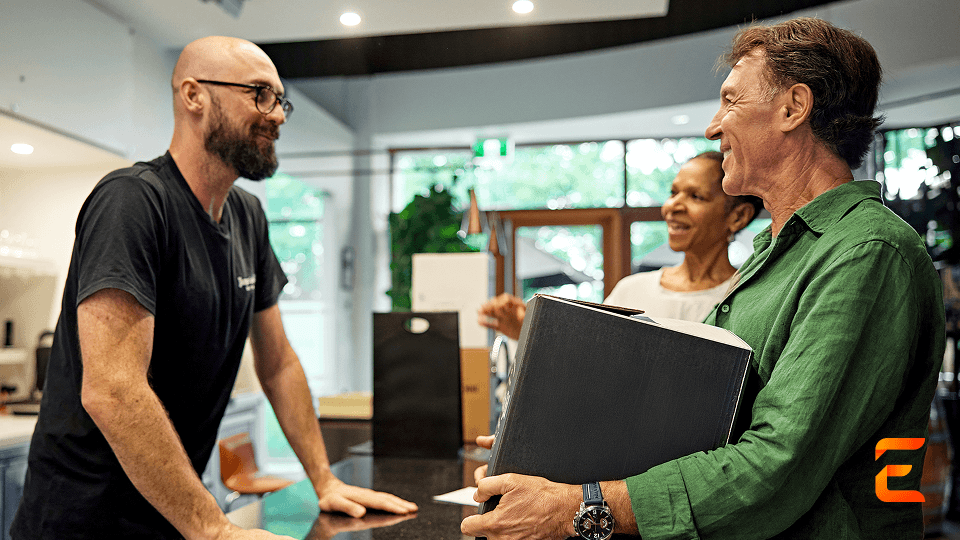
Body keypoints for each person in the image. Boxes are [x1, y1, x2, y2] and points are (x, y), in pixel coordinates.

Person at [462, 16, 945, 540]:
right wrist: (555, 452)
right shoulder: (780, 255)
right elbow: (710, 427)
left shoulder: (865, 252)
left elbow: (776, 466)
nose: (713, 126)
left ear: (793, 107)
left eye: (731, 101)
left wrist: (583, 505)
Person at [11, 36, 416, 540]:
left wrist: (324, 480)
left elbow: (279, 362)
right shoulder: (132, 203)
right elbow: (112, 389)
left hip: (172, 515)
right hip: (86, 523)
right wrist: (212, 528)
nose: (279, 115)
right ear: (194, 95)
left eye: (280, 100)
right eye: (260, 94)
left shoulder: (248, 216)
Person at [478, 151, 764, 341]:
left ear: (738, 216)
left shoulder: (750, 298)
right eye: (673, 192)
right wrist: (527, 331)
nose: (672, 206)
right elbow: (586, 364)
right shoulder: (631, 291)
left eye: (696, 197)